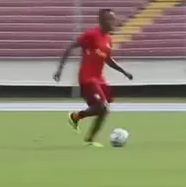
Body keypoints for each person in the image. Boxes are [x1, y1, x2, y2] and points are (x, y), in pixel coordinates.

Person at [53, 9, 133, 147]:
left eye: (114, 19)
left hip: (99, 79)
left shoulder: (108, 39)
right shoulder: (91, 35)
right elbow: (70, 47)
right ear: (102, 21)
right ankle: (75, 116)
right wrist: (59, 70)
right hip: (87, 78)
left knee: (104, 110)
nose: (113, 22)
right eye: (110, 19)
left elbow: (107, 59)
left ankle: (89, 139)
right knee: (102, 106)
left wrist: (123, 71)